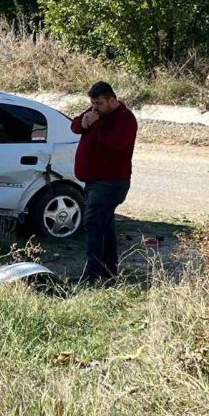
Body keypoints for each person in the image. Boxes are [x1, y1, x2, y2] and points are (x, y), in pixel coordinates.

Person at [70, 81, 138, 283]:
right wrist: (83, 122)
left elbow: (114, 143)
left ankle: (91, 276)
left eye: (99, 103)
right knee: (105, 226)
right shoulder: (96, 112)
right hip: (93, 181)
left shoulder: (125, 119)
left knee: (93, 223)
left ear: (111, 100)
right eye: (92, 103)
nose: (94, 107)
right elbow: (75, 126)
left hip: (111, 182)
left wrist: (94, 122)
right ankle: (109, 273)